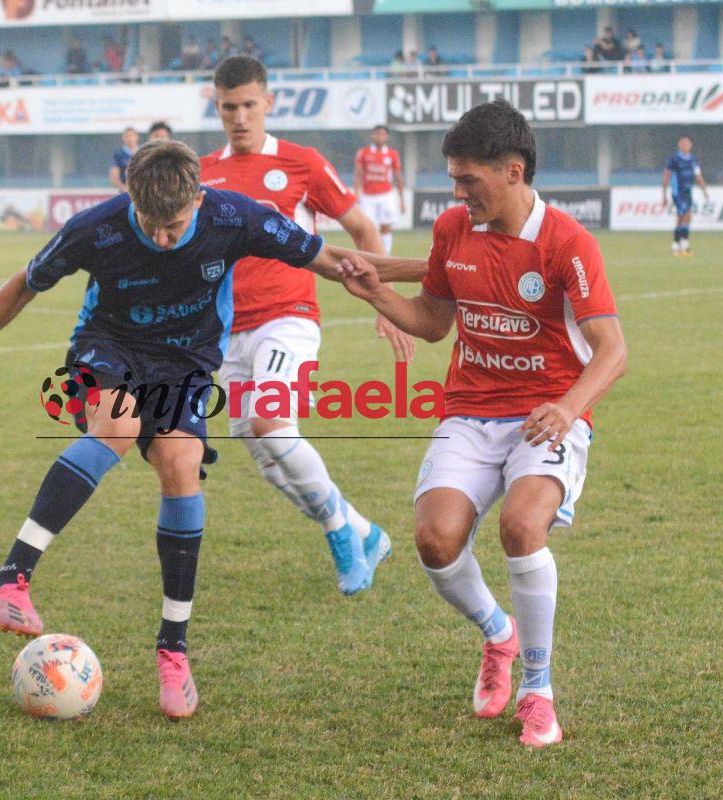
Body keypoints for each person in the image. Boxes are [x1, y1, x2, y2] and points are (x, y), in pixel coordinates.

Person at [0, 140, 422, 718]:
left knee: (183, 466)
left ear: (199, 198)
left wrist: (432, 276)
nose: (160, 239)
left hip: (184, 364)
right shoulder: (96, 228)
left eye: (174, 226)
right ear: (129, 197)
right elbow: (24, 284)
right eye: (149, 225)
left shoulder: (235, 216)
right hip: (105, 348)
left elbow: (334, 262)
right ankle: (11, 580)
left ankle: (173, 651)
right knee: (120, 424)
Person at [334, 100, 627, 749]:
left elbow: (613, 349)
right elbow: (435, 322)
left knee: (522, 527)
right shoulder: (452, 230)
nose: (457, 191)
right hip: (470, 409)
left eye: (469, 180)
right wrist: (376, 294)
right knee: (435, 541)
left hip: (545, 414)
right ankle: (499, 634)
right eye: (454, 179)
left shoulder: (568, 244)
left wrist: (569, 408)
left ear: (513, 172)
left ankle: (539, 690)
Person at [199, 56, 419, 594]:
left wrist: (383, 303)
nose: (240, 117)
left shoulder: (302, 163)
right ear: (218, 107)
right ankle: (364, 530)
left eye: (250, 105)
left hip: (288, 318)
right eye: (230, 107)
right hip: (228, 335)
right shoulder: (202, 174)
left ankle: (341, 531)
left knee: (272, 425)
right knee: (269, 460)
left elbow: (362, 226)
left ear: (269, 102)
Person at [354, 124, 405, 256]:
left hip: (386, 195)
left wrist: (402, 200)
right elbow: (358, 174)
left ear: (387, 137)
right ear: (372, 135)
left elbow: (398, 177)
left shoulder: (392, 154)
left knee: (386, 227)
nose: (379, 137)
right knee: (367, 228)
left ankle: (384, 257)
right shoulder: (364, 152)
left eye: (382, 134)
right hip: (368, 196)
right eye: (377, 134)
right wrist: (357, 194)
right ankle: (368, 256)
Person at [662, 135, 709, 256]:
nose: (685, 146)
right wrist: (664, 194)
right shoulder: (674, 159)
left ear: (690, 145)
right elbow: (667, 175)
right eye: (683, 144)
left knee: (687, 217)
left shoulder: (692, 160)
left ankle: (684, 245)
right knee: (682, 216)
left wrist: (704, 190)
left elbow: (698, 176)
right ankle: (676, 246)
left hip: (688, 191)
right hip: (678, 192)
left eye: (687, 144)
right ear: (679, 145)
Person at [109, 127, 139, 192]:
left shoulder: (143, 152)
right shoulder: (118, 154)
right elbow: (114, 177)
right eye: (126, 136)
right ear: (123, 138)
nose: (130, 138)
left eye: (131, 135)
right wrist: (123, 188)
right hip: (125, 191)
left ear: (137, 137)